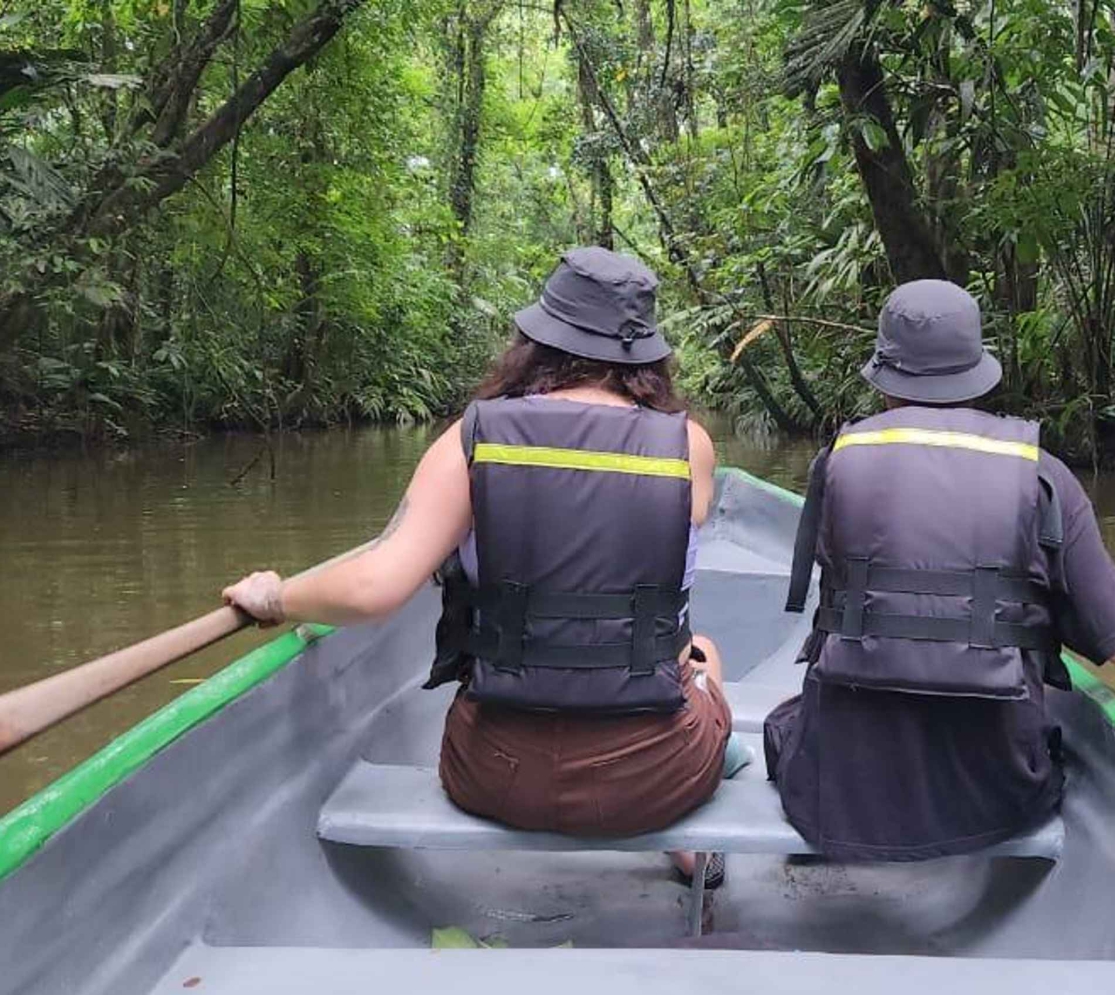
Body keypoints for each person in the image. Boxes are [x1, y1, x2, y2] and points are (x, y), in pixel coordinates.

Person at [223, 247, 734, 886]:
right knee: (703, 654)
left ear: (537, 342)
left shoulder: (474, 437)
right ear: (646, 356)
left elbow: (375, 585)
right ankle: (691, 848)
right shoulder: (690, 446)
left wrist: (276, 596)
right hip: (652, 780)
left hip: (494, 772)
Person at [766, 279, 1115, 862]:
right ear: (976, 373)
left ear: (885, 381)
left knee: (785, 722)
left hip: (840, 797)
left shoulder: (836, 462)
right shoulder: (1043, 476)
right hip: (998, 798)